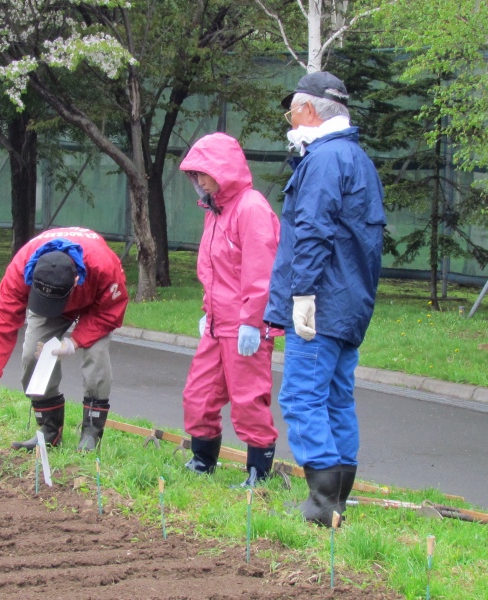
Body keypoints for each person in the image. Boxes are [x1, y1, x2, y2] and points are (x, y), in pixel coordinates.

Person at [264, 71, 387, 526]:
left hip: (320, 302)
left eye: (291, 111)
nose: (289, 120)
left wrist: (302, 295)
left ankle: (321, 504)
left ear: (310, 110)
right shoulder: (358, 160)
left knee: (301, 398)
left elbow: (312, 232)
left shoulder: (323, 160)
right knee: (336, 399)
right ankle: (336, 502)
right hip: (350, 302)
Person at [179, 132, 282, 488]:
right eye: (195, 174)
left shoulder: (250, 208)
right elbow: (216, 271)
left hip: (243, 325)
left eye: (203, 172)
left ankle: (259, 473)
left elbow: (260, 270)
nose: (199, 180)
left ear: (223, 170)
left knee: (248, 398)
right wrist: (209, 312)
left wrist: (253, 322)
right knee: (199, 393)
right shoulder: (216, 209)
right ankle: (203, 460)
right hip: (218, 323)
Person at [0, 227, 128, 452]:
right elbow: (0, 322)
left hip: (96, 303)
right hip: (51, 299)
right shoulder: (21, 268)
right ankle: (50, 430)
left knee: (96, 357)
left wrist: (73, 342)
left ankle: (91, 432)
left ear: (75, 280)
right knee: (32, 354)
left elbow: (110, 310)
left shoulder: (103, 266)